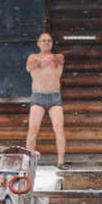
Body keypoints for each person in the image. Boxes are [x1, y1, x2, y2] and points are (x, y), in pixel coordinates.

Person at [25, 32, 68, 168]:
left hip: (54, 96)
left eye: (49, 40)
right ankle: (29, 160)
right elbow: (29, 67)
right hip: (38, 96)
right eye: (43, 40)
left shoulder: (58, 57)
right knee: (33, 128)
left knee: (58, 128)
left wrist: (50, 59)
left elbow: (59, 60)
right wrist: (40, 60)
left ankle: (61, 161)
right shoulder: (33, 57)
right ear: (38, 43)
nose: (46, 43)